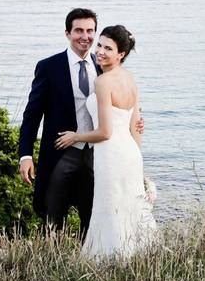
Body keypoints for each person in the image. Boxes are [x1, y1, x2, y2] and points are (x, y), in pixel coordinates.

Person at [17, 9, 144, 237]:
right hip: (62, 152)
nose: (85, 36)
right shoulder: (49, 67)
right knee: (52, 213)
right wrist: (25, 155)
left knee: (95, 214)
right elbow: (32, 115)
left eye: (90, 31)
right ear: (67, 33)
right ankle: (51, 260)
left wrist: (133, 123)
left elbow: (121, 106)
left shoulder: (105, 65)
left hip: (99, 155)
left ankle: (89, 262)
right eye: (79, 30)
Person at [55, 25, 157, 259]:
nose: (99, 51)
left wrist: (76, 136)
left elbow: (105, 132)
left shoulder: (103, 82)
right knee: (129, 206)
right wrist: (137, 159)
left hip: (110, 154)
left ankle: (108, 259)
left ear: (121, 54)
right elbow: (135, 126)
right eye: (99, 45)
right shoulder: (130, 79)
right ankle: (136, 257)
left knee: (109, 207)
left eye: (107, 48)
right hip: (130, 153)